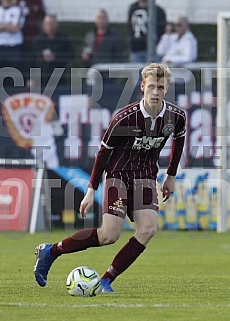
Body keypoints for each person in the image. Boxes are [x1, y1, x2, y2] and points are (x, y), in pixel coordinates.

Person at [33, 62, 186, 293]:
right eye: (152, 86)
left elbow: (179, 140)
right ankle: (51, 251)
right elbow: (103, 153)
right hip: (118, 177)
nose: (156, 92)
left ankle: (106, 280)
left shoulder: (176, 116)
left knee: (148, 229)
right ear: (143, 86)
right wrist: (91, 190)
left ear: (167, 89)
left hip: (145, 177)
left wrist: (171, 177)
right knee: (109, 235)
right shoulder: (124, 118)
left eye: (161, 87)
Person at [27, 14, 74, 88]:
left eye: (52, 24)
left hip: (59, 79)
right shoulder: (37, 40)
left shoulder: (64, 39)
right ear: (43, 25)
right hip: (40, 80)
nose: (50, 26)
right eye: (47, 24)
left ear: (56, 25)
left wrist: (55, 57)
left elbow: (71, 55)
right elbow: (31, 60)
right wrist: (30, 78)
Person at [0, 0, 25, 83]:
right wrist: (6, 25)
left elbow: (15, 28)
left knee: (15, 74)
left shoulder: (18, 10)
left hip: (13, 47)